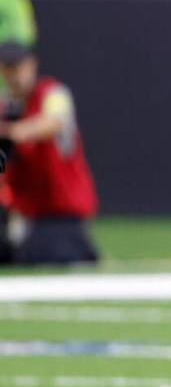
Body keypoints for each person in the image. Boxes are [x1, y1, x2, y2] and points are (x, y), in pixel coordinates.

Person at [0, 42, 99, 265]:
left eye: (17, 67)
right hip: (23, 211)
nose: (13, 75)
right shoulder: (5, 104)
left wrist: (13, 131)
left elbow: (52, 122)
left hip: (60, 213)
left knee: (44, 253)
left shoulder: (53, 94)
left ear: (31, 65)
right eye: (7, 68)